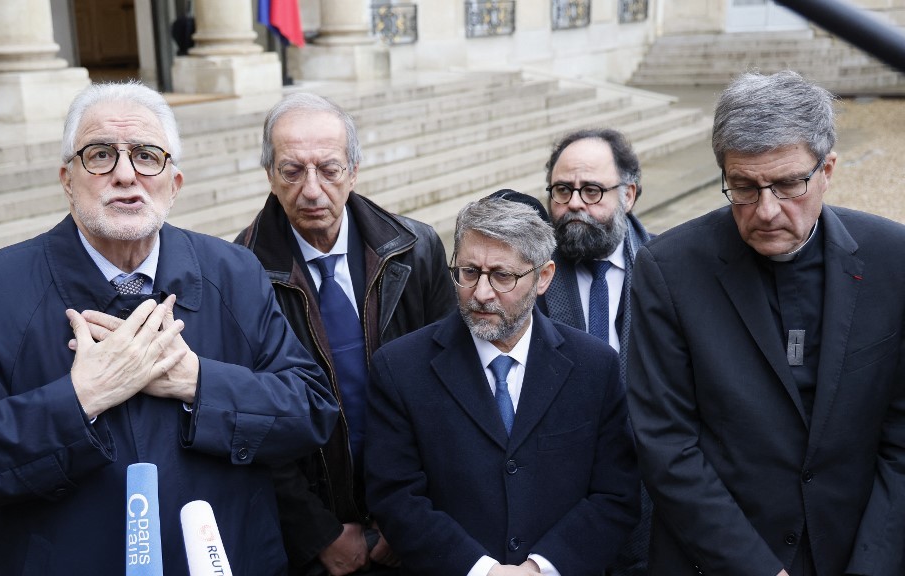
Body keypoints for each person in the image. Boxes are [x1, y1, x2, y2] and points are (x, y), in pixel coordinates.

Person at [0, 82, 340, 576]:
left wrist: (199, 383)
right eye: (99, 155)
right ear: (67, 179)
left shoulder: (235, 273)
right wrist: (78, 400)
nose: (124, 174)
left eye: (146, 155)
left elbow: (311, 409)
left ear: (174, 183)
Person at [627, 70, 905, 576]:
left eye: (787, 184)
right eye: (744, 187)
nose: (767, 210)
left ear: (829, 170)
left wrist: (872, 565)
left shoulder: (894, 259)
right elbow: (666, 443)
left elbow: (902, 436)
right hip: (716, 560)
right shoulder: (667, 269)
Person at [235, 92, 456, 575]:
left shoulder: (415, 252)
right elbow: (248, 422)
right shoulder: (237, 274)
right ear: (269, 175)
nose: (312, 190)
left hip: (416, 523)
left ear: (353, 170)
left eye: (329, 169)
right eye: (292, 171)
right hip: (313, 544)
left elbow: (450, 394)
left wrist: (410, 517)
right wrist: (318, 534)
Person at [365, 195, 640, 575]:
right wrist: (483, 571)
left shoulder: (594, 366)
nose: (481, 293)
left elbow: (615, 495)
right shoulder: (400, 368)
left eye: (502, 275)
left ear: (543, 278)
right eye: (469, 272)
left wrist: (540, 569)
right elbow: (396, 498)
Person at [540, 128, 653, 575]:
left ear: (629, 194)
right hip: (555, 513)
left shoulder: (672, 269)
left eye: (592, 190)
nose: (574, 204)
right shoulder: (526, 276)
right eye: (562, 190)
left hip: (652, 508)